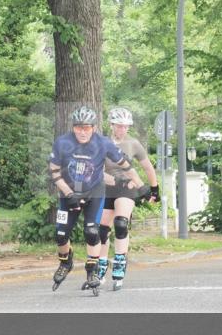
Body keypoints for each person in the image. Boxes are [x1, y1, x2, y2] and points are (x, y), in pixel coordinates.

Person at [48, 105, 138, 294]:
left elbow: (125, 164)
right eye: (78, 127)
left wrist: (140, 184)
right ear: (73, 127)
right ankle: (65, 262)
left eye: (86, 128)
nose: (82, 132)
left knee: (92, 232)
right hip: (68, 194)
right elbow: (54, 172)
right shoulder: (62, 142)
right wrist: (68, 194)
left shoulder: (103, 143)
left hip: (94, 193)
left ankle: (92, 271)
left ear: (94, 128)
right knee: (60, 234)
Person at [96, 107, 158, 290]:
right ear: (111, 125)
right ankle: (101, 266)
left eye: (125, 126)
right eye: (119, 126)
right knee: (102, 231)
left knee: (121, 224)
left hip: (127, 188)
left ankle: (119, 264)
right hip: (107, 187)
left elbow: (147, 167)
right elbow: (97, 171)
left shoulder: (133, 144)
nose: (122, 129)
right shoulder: (103, 143)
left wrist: (154, 189)